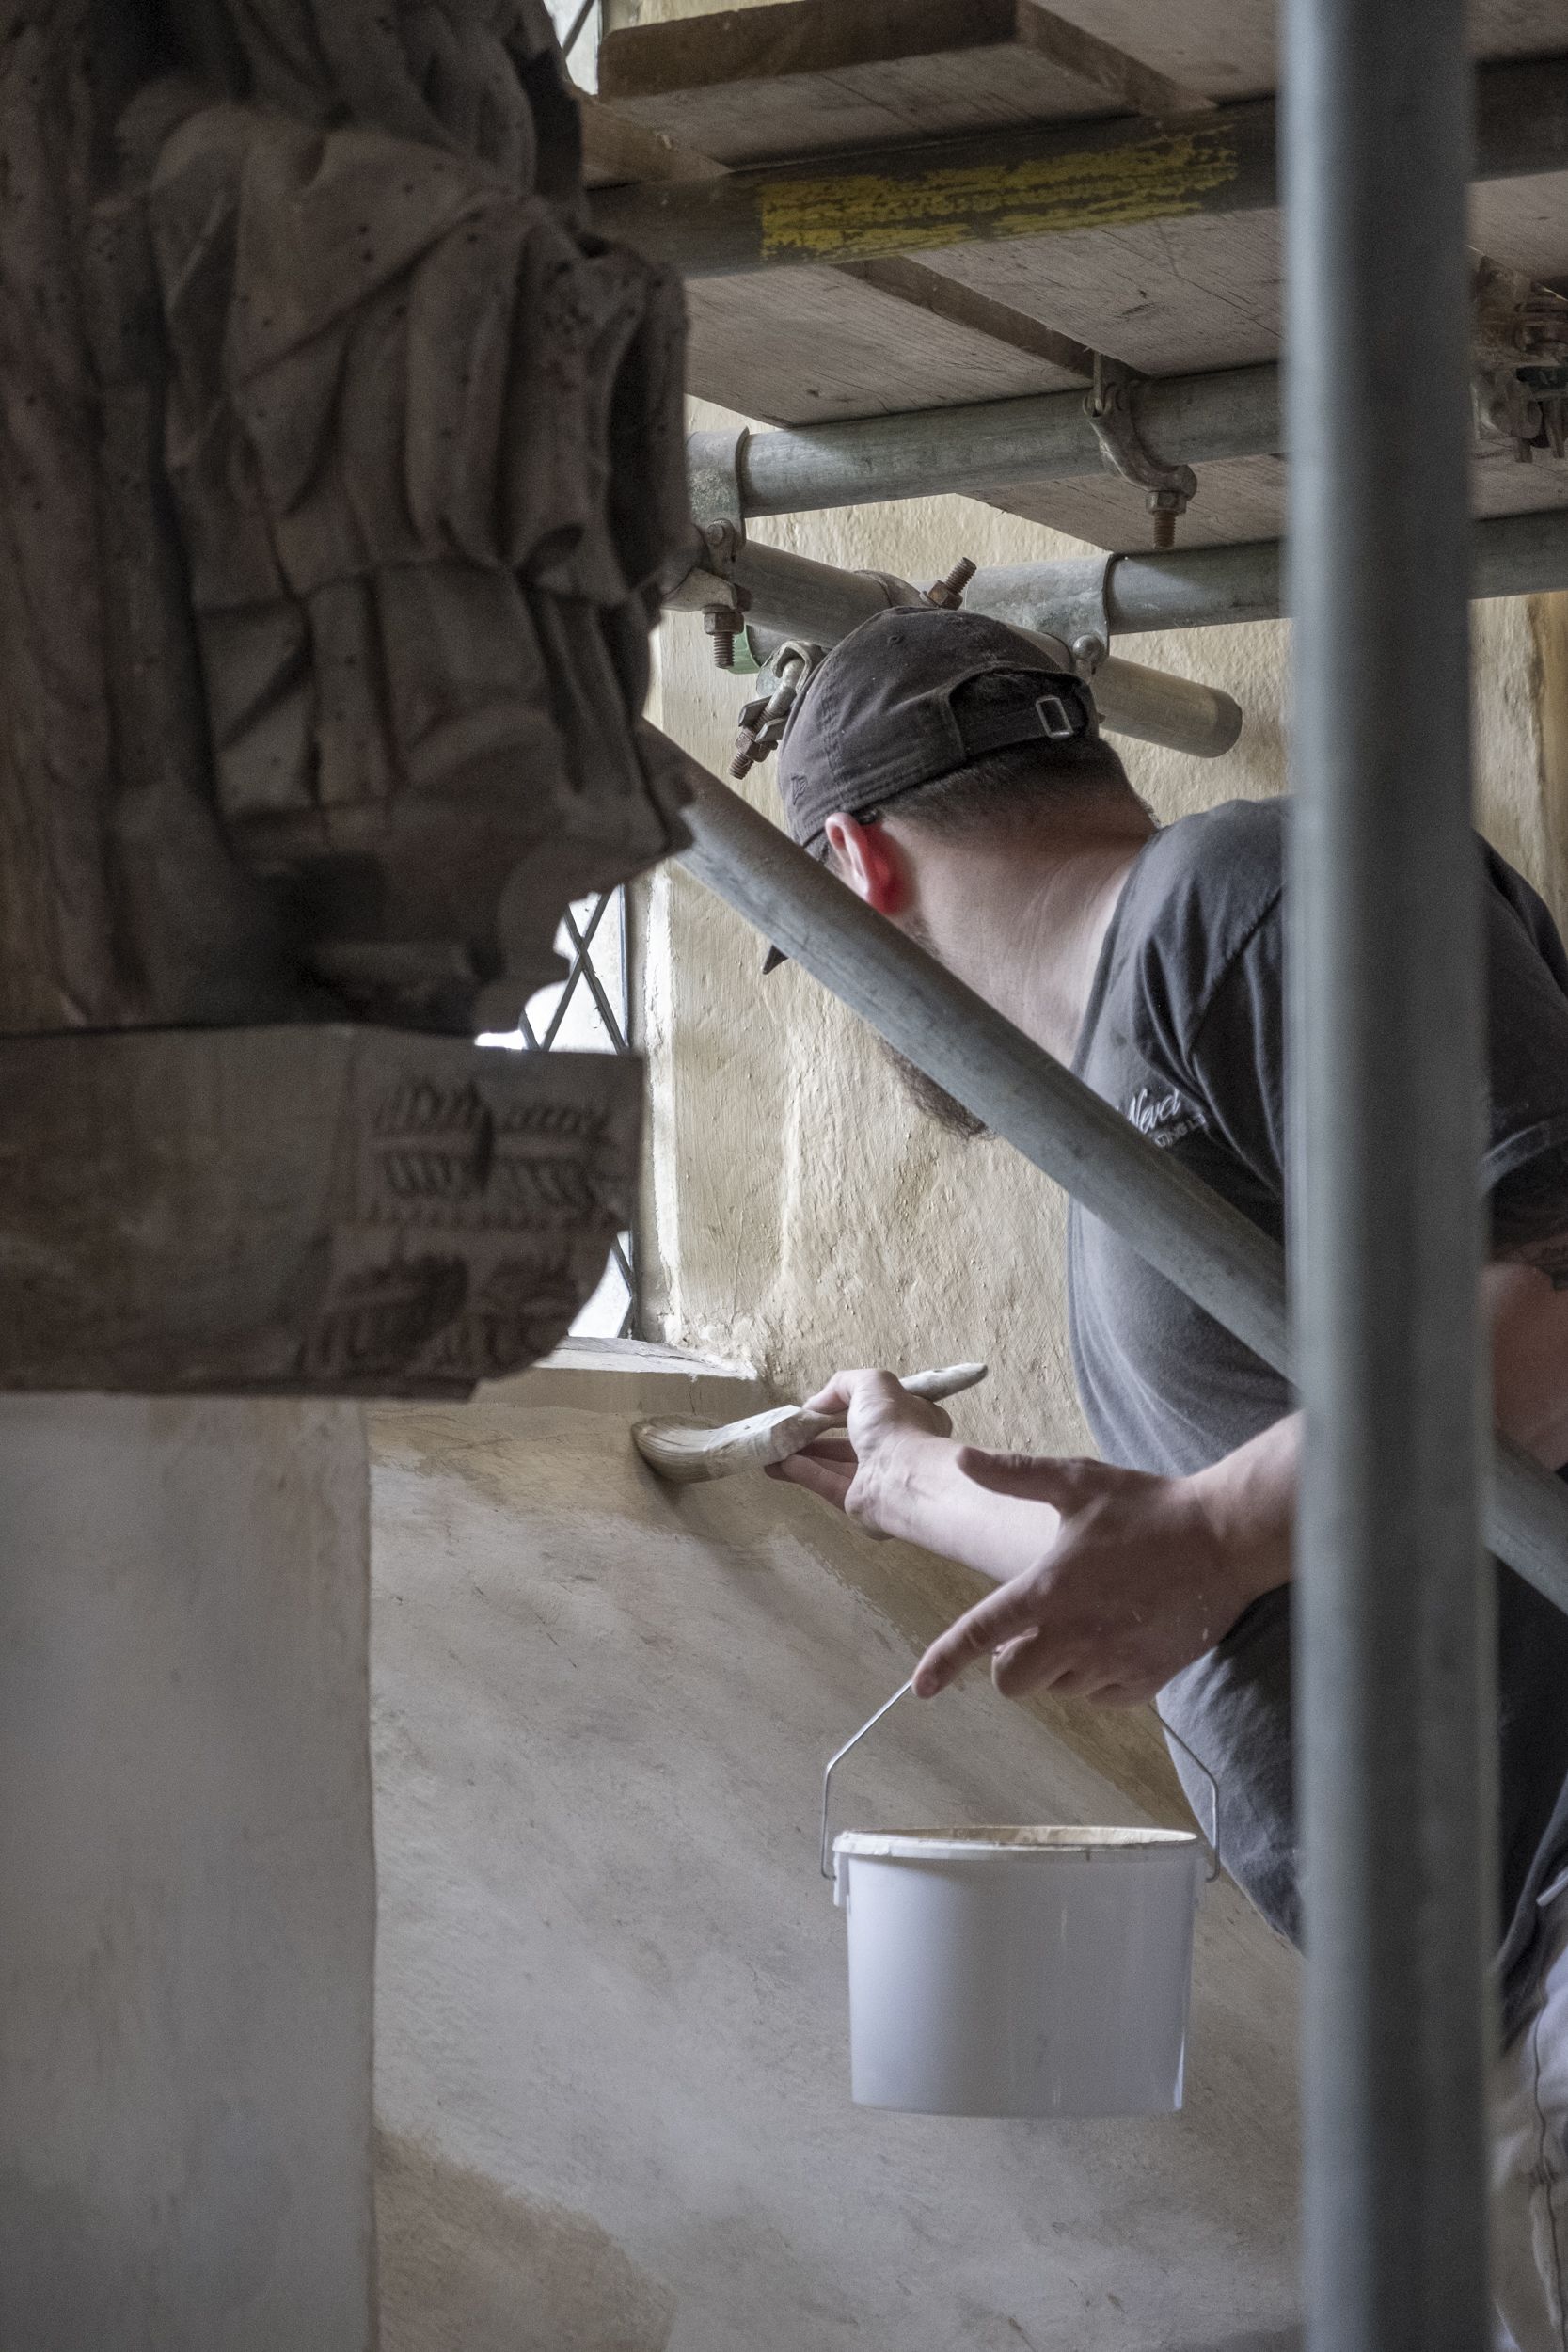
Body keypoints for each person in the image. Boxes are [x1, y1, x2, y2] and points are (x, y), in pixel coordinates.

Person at [762, 605, 1568, 2351]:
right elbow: (1219, 1551)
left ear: (855, 870)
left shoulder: (1243, 896)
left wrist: (1206, 1528)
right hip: (1485, 1974)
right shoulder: (1133, 1082)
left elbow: (1548, 1307)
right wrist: (915, 1483)